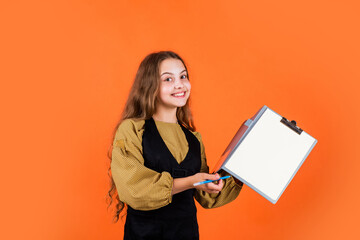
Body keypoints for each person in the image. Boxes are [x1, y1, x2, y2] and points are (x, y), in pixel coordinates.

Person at [107, 51, 243, 240]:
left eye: (183, 76)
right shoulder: (132, 130)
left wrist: (244, 168)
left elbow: (208, 196)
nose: (179, 84)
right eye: (168, 79)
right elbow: (134, 190)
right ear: (150, 85)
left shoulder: (193, 139)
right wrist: (191, 180)